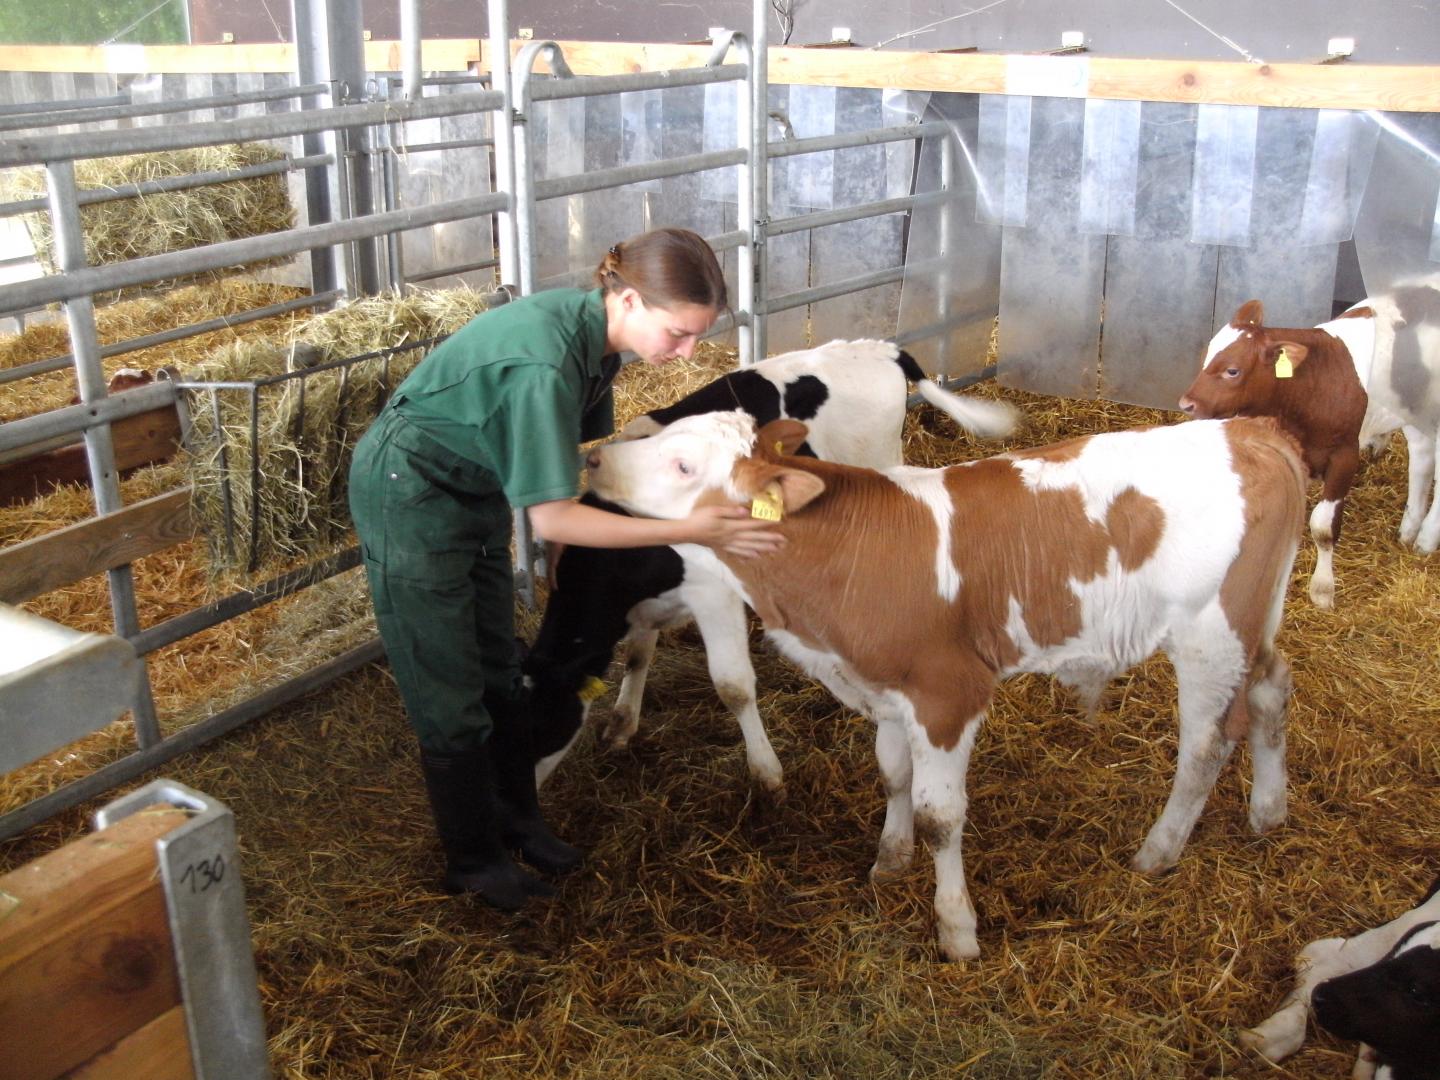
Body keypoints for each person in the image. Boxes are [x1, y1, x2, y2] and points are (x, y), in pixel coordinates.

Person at [348, 227, 782, 911]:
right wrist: (688, 529)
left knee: (498, 666)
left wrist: (564, 551)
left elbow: (575, 463)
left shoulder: (597, 344)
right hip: (414, 491)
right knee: (447, 686)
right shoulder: (547, 362)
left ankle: (519, 820)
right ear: (630, 299)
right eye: (678, 333)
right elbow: (549, 516)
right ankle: (473, 861)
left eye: (697, 337)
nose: (687, 353)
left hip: (476, 491)